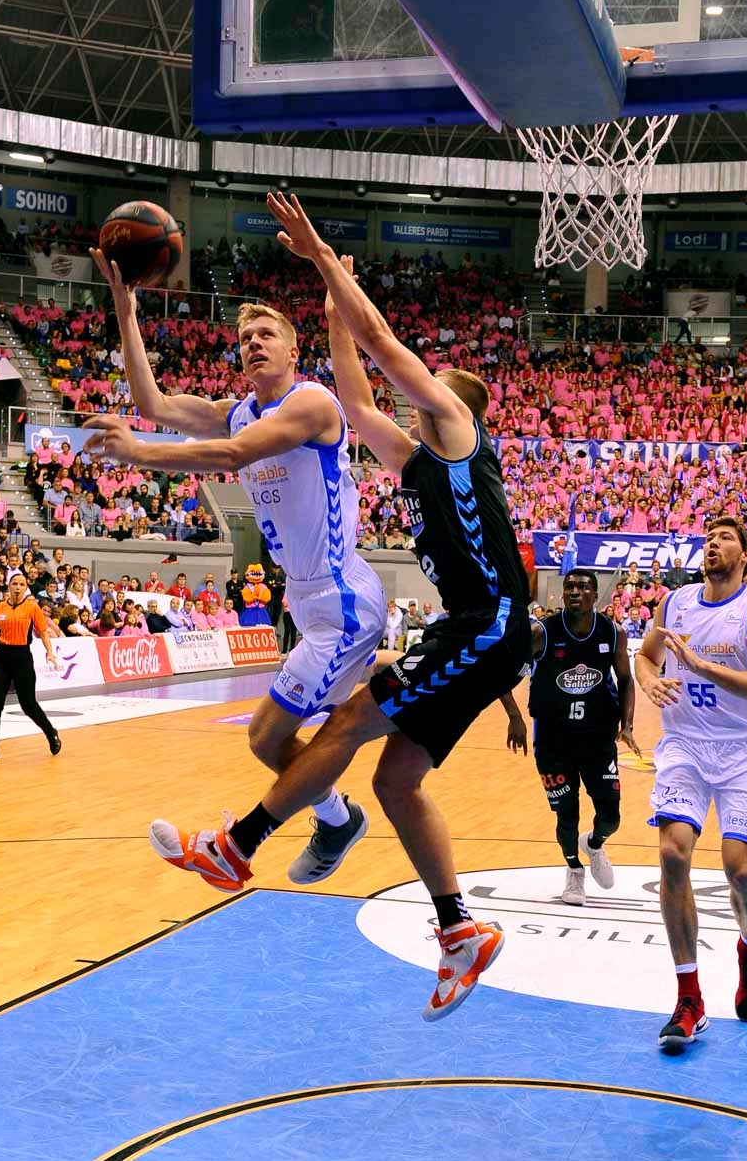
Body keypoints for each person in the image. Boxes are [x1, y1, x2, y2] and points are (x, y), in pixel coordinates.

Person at [150, 199, 532, 1022]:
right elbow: (357, 400)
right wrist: (331, 301)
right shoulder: (417, 459)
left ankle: (239, 844)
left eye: (426, 385)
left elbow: (385, 352)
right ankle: (460, 930)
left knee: (353, 719)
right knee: (397, 780)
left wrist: (325, 255)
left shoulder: (459, 432)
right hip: (477, 632)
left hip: (491, 623)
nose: (409, 390)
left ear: (448, 399)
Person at [87, 245, 387, 889]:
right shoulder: (239, 408)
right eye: (245, 336)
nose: (253, 343)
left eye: (266, 334)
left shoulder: (313, 404)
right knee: (279, 744)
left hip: (341, 602)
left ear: (292, 350)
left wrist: (140, 454)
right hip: (308, 604)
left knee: (264, 735)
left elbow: (231, 454)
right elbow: (154, 402)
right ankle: (336, 818)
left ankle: (249, 843)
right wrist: (126, 309)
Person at [634, 516, 747, 1050]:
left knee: (740, 871)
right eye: (708, 538)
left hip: (745, 751)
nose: (713, 544)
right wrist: (651, 681)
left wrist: (701, 664)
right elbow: (645, 657)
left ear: (745, 553)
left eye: (725, 538)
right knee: (674, 854)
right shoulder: (674, 604)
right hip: (685, 747)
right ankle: (689, 999)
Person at [507, 568, 639, 906]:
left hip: (598, 738)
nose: (574, 592)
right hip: (553, 740)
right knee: (566, 814)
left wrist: (628, 726)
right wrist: (515, 717)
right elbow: (501, 673)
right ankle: (574, 871)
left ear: (596, 595)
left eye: (582, 587)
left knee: (611, 816)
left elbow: (625, 680)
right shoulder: (542, 633)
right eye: (569, 587)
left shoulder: (613, 633)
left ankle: (593, 844)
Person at [0, 572, 62, 762]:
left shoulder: (32, 608)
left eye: (21, 584)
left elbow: (43, 632)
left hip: (22, 658)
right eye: (14, 583)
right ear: (9, 586)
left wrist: (50, 652)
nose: (18, 587)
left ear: (25, 588)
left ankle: (50, 732)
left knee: (28, 704)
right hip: (2, 657)